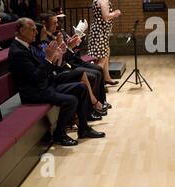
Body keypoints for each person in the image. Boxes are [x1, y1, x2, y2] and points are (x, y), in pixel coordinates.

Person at [8, 18, 105, 146]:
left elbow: (45, 71)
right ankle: (59, 134)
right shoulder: (18, 52)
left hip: (45, 84)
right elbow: (36, 77)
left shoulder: (25, 46)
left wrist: (54, 57)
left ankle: (84, 129)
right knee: (71, 100)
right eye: (32, 30)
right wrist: (48, 58)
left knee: (81, 87)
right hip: (34, 92)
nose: (36, 32)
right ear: (21, 31)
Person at [88, 0, 122, 85]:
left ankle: (106, 78)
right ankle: (95, 82)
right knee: (101, 59)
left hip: (101, 32)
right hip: (99, 32)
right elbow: (106, 16)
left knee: (105, 55)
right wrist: (116, 13)